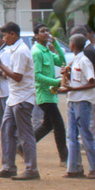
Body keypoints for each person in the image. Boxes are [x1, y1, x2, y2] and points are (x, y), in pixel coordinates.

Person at [0, 22, 39, 180]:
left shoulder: (20, 52)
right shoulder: (15, 50)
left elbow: (17, 76)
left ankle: (31, 169)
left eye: (5, 36)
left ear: (13, 34)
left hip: (22, 98)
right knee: (7, 131)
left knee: (25, 134)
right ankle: (9, 166)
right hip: (14, 97)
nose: (4, 39)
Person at [60, 34, 95, 179]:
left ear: (72, 45)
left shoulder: (84, 61)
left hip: (82, 101)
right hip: (73, 100)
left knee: (85, 134)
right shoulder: (75, 61)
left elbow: (93, 83)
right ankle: (74, 168)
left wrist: (72, 89)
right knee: (71, 135)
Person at [31, 24, 68, 166]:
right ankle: (64, 158)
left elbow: (62, 62)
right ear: (36, 35)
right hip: (44, 94)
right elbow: (37, 75)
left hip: (51, 94)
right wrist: (57, 82)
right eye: (42, 31)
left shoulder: (46, 51)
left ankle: (23, 147)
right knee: (59, 125)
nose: (46, 33)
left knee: (48, 125)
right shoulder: (37, 52)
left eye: (47, 31)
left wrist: (56, 44)